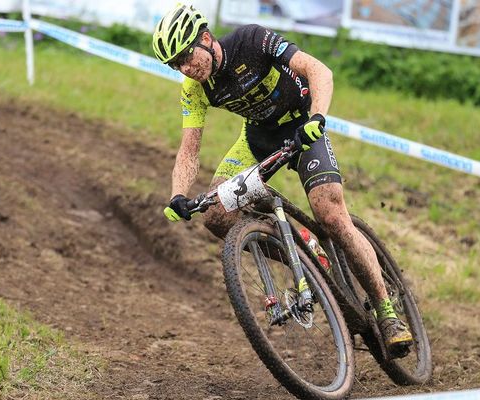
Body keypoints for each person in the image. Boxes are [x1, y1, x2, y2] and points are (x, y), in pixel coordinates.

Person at [153, 3, 413, 355]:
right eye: (176, 64)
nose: (186, 68)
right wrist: (177, 195)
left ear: (204, 38)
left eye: (186, 56)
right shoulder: (193, 87)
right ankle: (304, 251)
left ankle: (386, 311)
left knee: (331, 214)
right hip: (257, 140)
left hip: (302, 126)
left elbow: (317, 70)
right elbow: (188, 149)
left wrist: (317, 118)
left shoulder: (251, 40)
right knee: (215, 214)